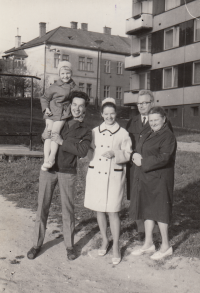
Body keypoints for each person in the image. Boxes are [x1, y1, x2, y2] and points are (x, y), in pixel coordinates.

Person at [27, 91, 92, 261]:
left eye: (81, 106)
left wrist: (63, 142)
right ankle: (36, 244)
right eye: (74, 104)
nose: (77, 108)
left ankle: (70, 246)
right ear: (70, 105)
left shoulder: (85, 130)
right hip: (49, 170)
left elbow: (83, 151)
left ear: (85, 109)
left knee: (68, 210)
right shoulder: (59, 119)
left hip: (67, 171)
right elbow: (45, 137)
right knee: (42, 207)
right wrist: (44, 136)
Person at [84, 97, 132, 265]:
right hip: (97, 174)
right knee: (99, 209)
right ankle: (105, 239)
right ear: (101, 114)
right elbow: (89, 150)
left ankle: (117, 246)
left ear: (116, 113)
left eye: (112, 114)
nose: (109, 117)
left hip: (114, 175)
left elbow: (128, 154)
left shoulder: (123, 133)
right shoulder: (94, 131)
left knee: (113, 211)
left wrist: (115, 153)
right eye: (106, 114)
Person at [129, 106, 177, 260]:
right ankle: (148, 243)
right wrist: (136, 155)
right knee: (148, 210)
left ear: (164, 119)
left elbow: (165, 157)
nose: (153, 122)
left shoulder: (167, 136)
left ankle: (165, 246)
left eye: (156, 120)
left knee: (161, 212)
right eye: (151, 120)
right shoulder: (149, 132)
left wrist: (142, 161)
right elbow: (142, 149)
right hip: (148, 177)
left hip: (161, 179)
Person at [126, 90, 173, 241]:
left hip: (152, 169)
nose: (142, 106)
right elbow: (127, 142)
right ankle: (142, 231)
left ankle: (156, 233)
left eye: (145, 102)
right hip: (135, 166)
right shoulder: (132, 121)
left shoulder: (161, 122)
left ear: (152, 103)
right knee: (138, 197)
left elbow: (165, 148)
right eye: (139, 103)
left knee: (153, 198)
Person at [40, 61, 79, 171]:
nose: (65, 76)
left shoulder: (74, 87)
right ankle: (46, 159)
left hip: (63, 113)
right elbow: (44, 98)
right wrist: (46, 108)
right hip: (51, 112)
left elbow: (81, 98)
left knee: (54, 133)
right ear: (59, 74)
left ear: (71, 73)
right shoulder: (54, 86)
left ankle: (52, 158)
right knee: (48, 133)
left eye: (67, 73)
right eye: (62, 74)